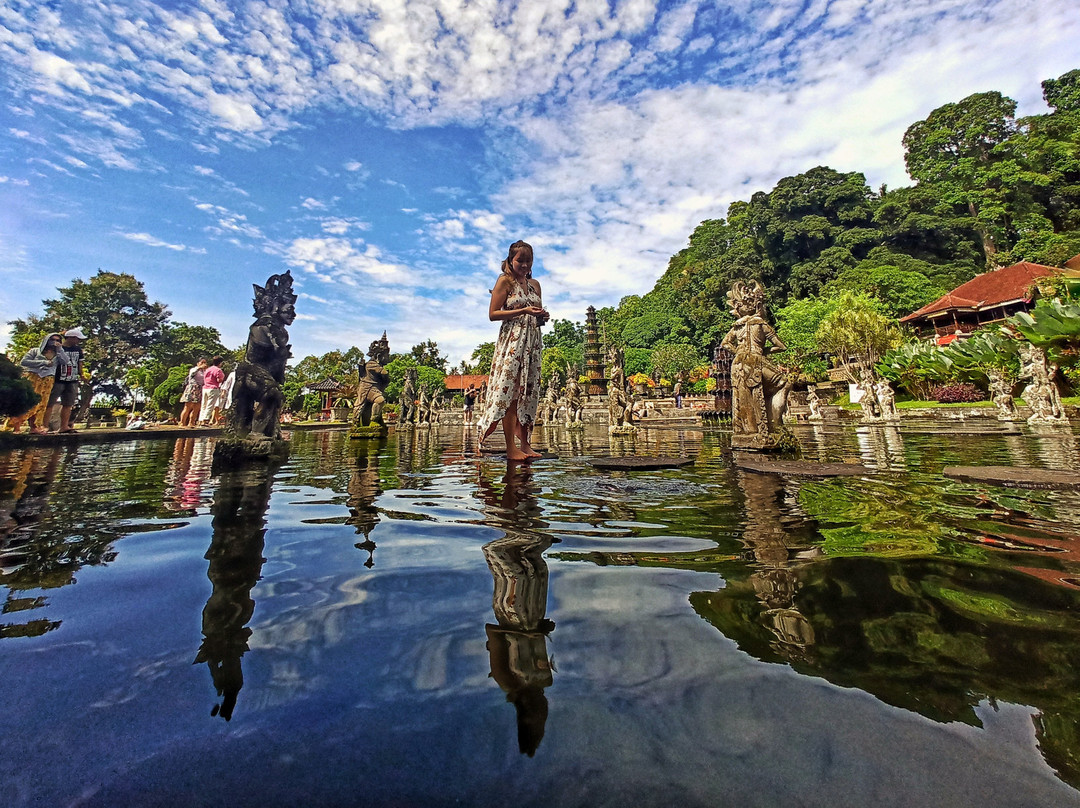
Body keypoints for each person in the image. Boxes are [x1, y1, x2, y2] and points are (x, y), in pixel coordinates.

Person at [476, 240, 549, 461]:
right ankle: (511, 448)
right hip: (512, 343)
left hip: (532, 344)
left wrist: (541, 317)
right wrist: (522, 310)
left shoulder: (535, 284)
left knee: (528, 392)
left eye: (528, 261)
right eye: (520, 260)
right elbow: (492, 314)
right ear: (510, 260)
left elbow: (536, 318)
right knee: (511, 393)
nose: (524, 265)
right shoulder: (504, 281)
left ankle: (525, 445)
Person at [5, 333, 63, 434]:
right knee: (26, 402)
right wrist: (43, 362)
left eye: (58, 340)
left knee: (40, 404)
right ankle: (16, 427)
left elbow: (66, 362)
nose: (55, 342)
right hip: (32, 377)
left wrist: (60, 350)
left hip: (48, 380)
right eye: (53, 340)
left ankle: (34, 427)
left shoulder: (58, 355)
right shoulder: (35, 351)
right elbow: (24, 362)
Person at [47, 328, 88, 434]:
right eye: (77, 339)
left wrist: (81, 374)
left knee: (68, 404)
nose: (78, 341)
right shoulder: (57, 348)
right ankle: (44, 426)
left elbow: (80, 363)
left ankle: (64, 426)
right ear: (71, 338)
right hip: (58, 379)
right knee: (50, 403)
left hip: (72, 379)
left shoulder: (78, 349)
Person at [179, 357, 208, 427]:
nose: (203, 364)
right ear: (198, 363)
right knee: (187, 407)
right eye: (202, 362)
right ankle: (182, 423)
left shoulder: (205, 371)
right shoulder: (194, 369)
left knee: (197, 407)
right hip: (192, 388)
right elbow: (192, 374)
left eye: (205, 363)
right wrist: (199, 367)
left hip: (200, 389)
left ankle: (191, 422)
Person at [198, 356, 226, 425]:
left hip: (205, 388)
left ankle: (200, 419)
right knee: (210, 405)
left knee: (203, 404)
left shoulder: (208, 369)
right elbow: (219, 380)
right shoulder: (218, 370)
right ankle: (205, 419)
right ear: (220, 363)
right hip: (213, 388)